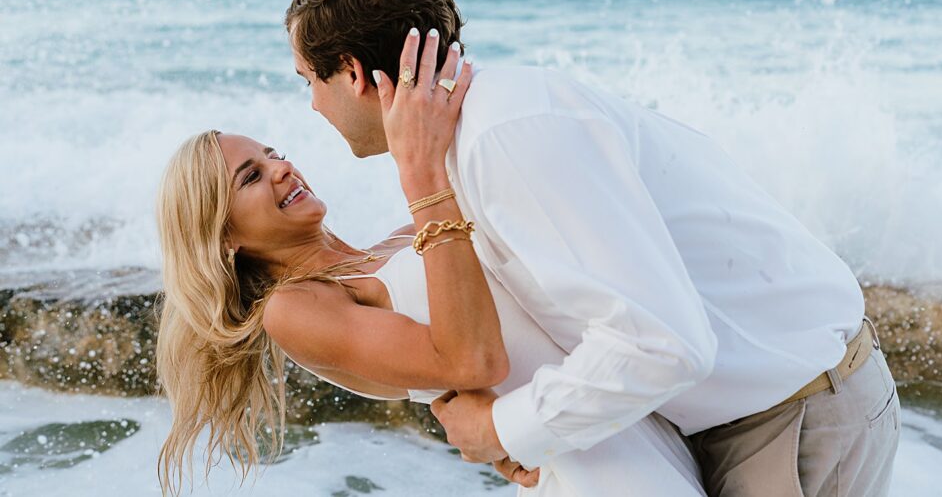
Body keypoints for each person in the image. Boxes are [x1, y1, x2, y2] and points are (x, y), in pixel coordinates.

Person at [283, 0, 902, 497]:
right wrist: (519, 431)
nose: (312, 102)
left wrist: (501, 427)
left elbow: (662, 343)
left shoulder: (504, 136)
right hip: (735, 419)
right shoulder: (472, 141)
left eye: (310, 79)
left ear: (354, 73)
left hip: (792, 417)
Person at [153, 31, 707, 496]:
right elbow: (474, 361)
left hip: (621, 421)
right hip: (591, 474)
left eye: (271, 152)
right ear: (223, 238)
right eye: (250, 176)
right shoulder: (294, 308)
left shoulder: (399, 239)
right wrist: (420, 172)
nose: (281, 167)